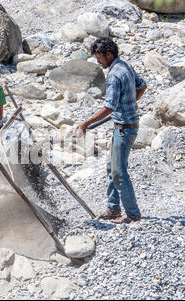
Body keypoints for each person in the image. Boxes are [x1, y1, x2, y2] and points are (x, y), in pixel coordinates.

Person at [76, 37, 147, 224]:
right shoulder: (125, 66)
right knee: (112, 168)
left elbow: (109, 107)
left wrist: (85, 123)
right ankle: (113, 208)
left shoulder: (114, 75)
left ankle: (133, 214)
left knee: (119, 172)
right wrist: (130, 102)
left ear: (109, 54)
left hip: (124, 129)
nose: (98, 62)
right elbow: (142, 85)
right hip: (126, 126)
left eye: (99, 57)